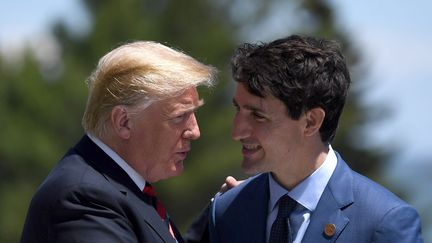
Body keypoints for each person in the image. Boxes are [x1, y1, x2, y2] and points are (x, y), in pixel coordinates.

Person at [208, 35, 423, 243]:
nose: (237, 132)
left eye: (258, 115)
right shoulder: (226, 211)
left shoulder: (384, 222)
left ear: (311, 122)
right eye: (238, 109)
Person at [21, 41, 216, 243]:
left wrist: (225, 209)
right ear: (124, 122)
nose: (195, 131)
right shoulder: (82, 197)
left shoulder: (114, 185)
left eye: (193, 113)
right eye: (180, 116)